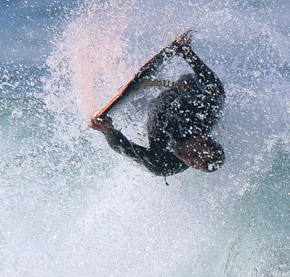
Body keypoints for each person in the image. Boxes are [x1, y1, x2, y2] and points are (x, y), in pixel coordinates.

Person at [88, 33, 225, 176]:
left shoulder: (164, 164)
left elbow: (126, 149)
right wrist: (188, 54)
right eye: (195, 154)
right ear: (202, 138)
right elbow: (217, 90)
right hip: (182, 89)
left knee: (136, 109)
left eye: (193, 164)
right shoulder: (205, 116)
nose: (187, 158)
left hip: (150, 107)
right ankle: (182, 50)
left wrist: (108, 131)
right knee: (201, 89)